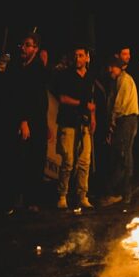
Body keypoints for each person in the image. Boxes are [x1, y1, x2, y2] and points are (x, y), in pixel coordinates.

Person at [7, 32, 50, 212]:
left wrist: (44, 123)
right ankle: (19, 197)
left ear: (35, 48)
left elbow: (39, 99)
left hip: (36, 121)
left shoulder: (38, 69)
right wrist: (23, 120)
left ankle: (33, 199)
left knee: (36, 159)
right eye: (22, 45)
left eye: (27, 45)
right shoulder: (18, 68)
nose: (23, 48)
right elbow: (18, 97)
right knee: (21, 159)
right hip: (25, 120)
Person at [53, 45, 96, 210]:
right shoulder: (66, 76)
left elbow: (92, 102)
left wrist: (93, 118)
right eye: (75, 55)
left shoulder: (90, 77)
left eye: (81, 55)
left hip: (83, 123)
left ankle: (82, 195)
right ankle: (62, 195)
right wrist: (83, 105)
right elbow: (63, 98)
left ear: (86, 57)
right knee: (68, 161)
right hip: (68, 122)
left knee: (85, 161)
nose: (78, 58)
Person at [100, 55, 139, 206]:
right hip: (127, 120)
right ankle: (124, 193)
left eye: (112, 67)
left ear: (119, 67)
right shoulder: (122, 80)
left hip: (126, 120)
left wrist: (112, 121)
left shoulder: (123, 80)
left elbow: (119, 104)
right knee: (124, 156)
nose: (110, 70)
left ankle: (117, 193)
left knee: (122, 156)